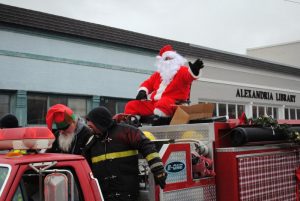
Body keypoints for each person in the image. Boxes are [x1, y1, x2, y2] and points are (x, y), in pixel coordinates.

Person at [83, 106, 167, 201]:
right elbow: (84, 166)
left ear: (100, 123)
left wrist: (158, 170)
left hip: (128, 195)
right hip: (104, 196)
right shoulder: (91, 142)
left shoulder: (127, 132)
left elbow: (147, 146)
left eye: (91, 126)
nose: (90, 129)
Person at [124, 44, 204, 120]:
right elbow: (148, 83)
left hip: (173, 104)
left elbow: (189, 76)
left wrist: (194, 71)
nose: (168, 61)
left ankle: (159, 118)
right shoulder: (158, 74)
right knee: (132, 104)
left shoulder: (182, 71)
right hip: (154, 104)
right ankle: (133, 120)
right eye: (166, 59)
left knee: (164, 102)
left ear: (176, 59)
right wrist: (143, 91)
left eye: (171, 58)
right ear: (162, 62)